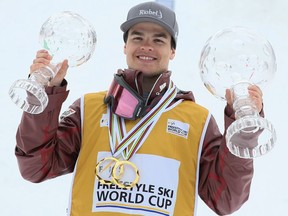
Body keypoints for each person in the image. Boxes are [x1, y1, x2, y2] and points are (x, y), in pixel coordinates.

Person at [15, 1, 264, 216]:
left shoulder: (197, 121)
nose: (147, 46)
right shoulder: (88, 109)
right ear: (125, 47)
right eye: (138, 38)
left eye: (158, 40)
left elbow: (226, 200)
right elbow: (36, 167)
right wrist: (44, 96)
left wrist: (243, 132)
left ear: (172, 51)